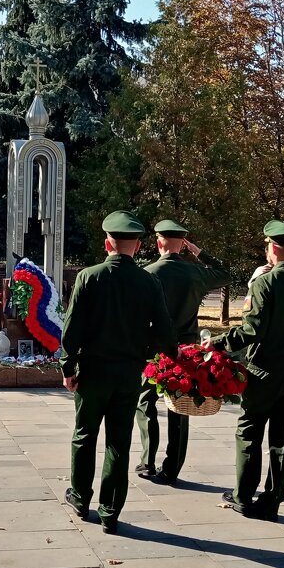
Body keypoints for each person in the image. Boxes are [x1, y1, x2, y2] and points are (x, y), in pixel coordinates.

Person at [209, 220, 284, 522]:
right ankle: (272, 500)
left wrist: (216, 345)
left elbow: (252, 330)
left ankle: (243, 495)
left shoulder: (265, 282)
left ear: (273, 248)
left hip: (264, 373)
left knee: (249, 431)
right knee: (283, 438)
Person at [60, 211, 176, 534]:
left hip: (92, 372)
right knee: (118, 442)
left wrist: (68, 367)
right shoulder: (149, 282)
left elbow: (72, 329)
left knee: (84, 435)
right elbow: (165, 332)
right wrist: (149, 352)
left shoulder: (88, 277)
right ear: (138, 246)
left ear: (106, 243)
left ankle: (81, 498)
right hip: (128, 374)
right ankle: (110, 511)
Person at [135, 219, 229, 485]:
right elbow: (224, 272)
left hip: (153, 349)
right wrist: (200, 254)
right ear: (183, 245)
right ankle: (172, 466)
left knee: (145, 404)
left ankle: (147, 460)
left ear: (158, 242)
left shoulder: (147, 272)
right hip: (186, 350)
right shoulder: (194, 273)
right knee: (179, 405)